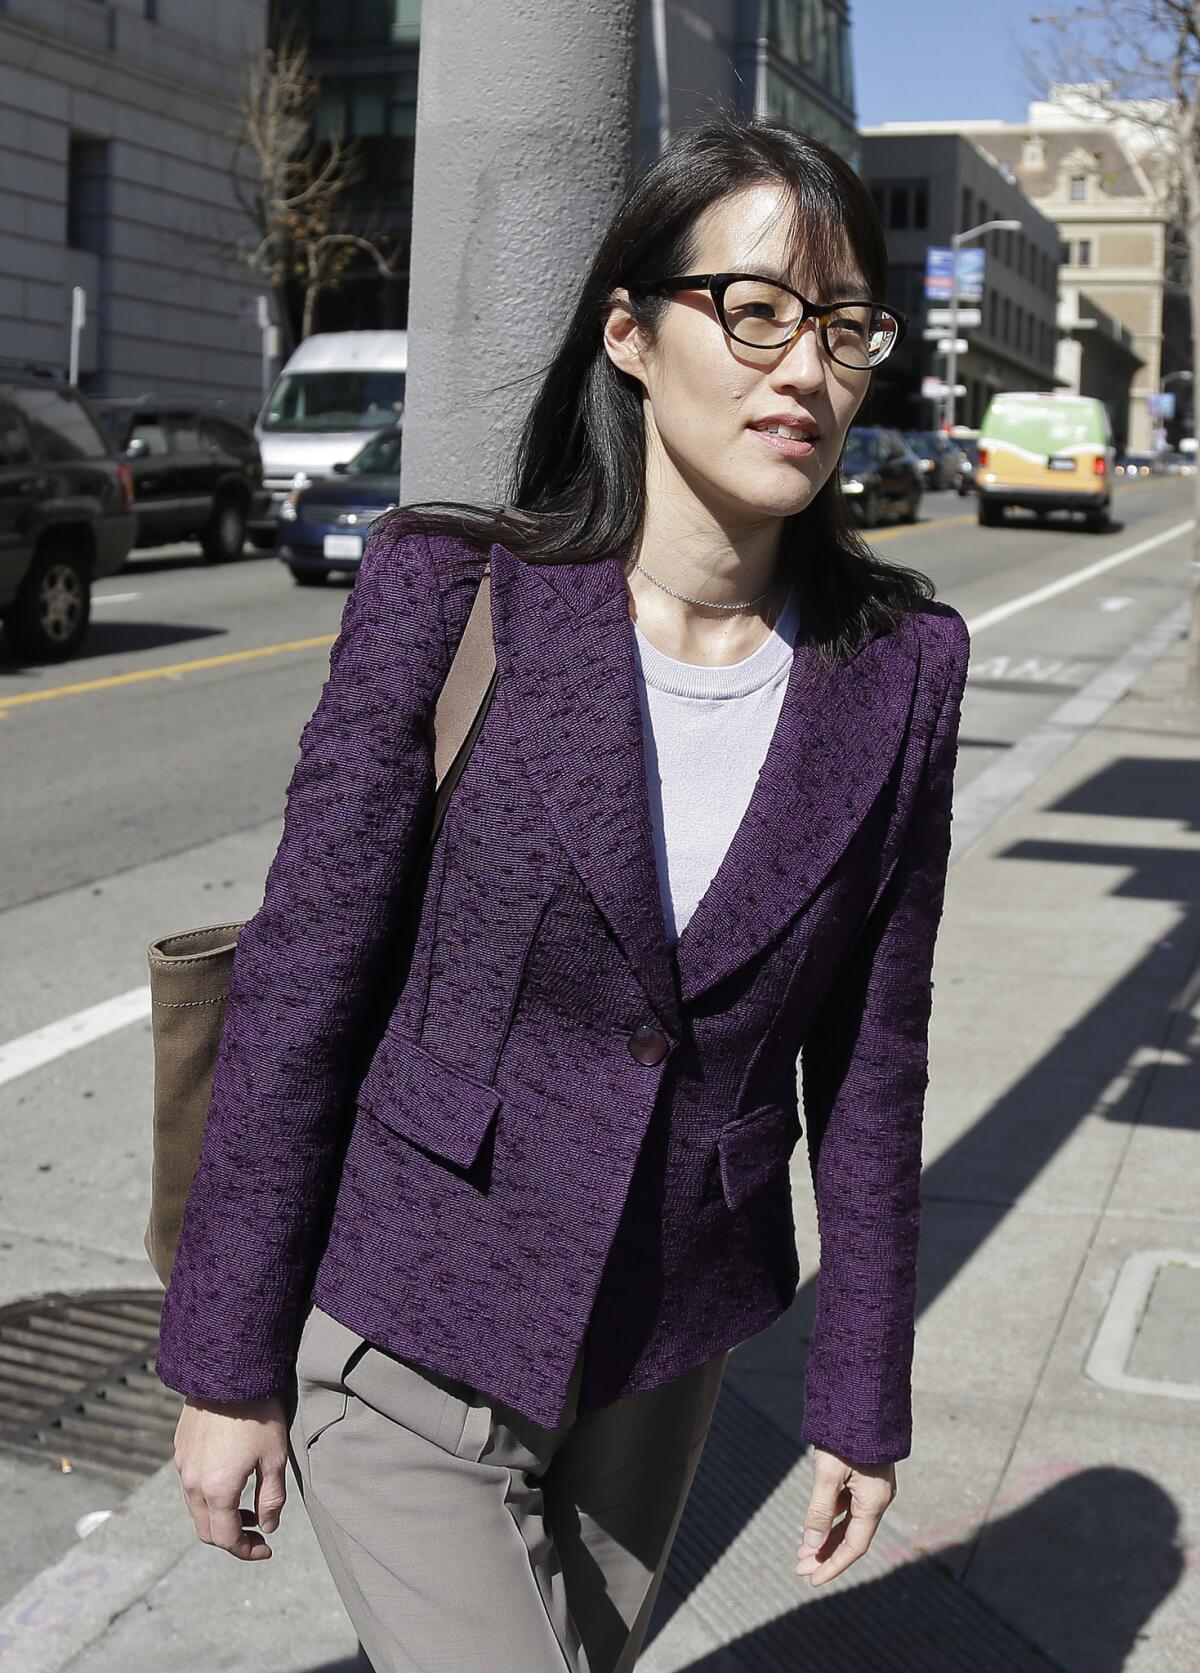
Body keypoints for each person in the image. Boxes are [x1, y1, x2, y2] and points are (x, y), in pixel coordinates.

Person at [160, 115, 969, 1673]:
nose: (804, 369)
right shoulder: (449, 597)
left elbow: (871, 1064)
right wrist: (225, 1363)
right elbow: (302, 985)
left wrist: (862, 1395)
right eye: (755, 312)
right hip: (405, 1313)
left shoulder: (900, 673)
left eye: (845, 325)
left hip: (663, 1350)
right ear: (630, 333)